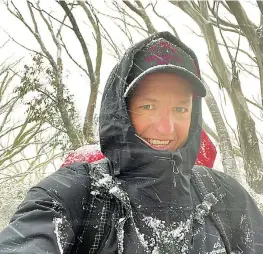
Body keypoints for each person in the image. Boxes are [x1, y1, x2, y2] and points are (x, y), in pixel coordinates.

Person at [0, 31, 263, 254]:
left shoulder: (226, 198)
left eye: (181, 109)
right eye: (149, 106)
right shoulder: (73, 195)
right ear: (121, 111)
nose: (166, 127)